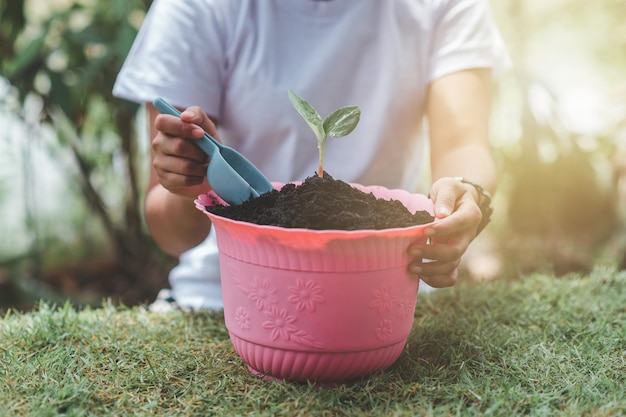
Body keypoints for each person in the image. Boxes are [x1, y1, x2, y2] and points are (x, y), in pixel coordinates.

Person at [113, 0, 511, 311]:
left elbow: (463, 145)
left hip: (383, 287)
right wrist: (192, 181)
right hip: (226, 295)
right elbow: (172, 234)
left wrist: (463, 195)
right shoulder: (199, 9)